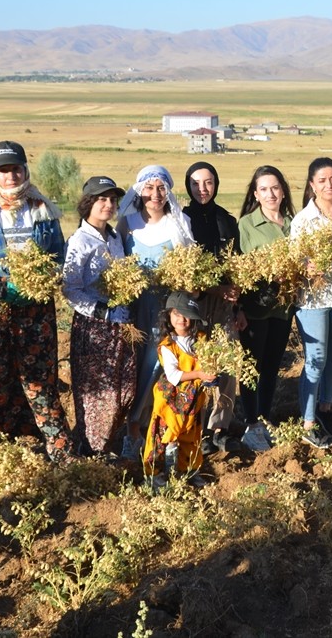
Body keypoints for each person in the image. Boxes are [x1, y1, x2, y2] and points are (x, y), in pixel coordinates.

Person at [0, 140, 73, 461]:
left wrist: (47, 278)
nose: (10, 176)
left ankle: (58, 452)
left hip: (36, 309)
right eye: (3, 170)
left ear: (25, 169)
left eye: (15, 168)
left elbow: (59, 255)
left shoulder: (43, 209)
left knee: (40, 378)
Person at [116, 164, 193, 456]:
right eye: (149, 188)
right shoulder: (128, 223)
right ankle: (130, 428)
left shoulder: (179, 223)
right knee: (131, 368)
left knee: (157, 367)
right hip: (134, 311)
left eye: (161, 188)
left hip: (164, 312)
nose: (155, 194)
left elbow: (187, 268)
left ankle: (144, 426)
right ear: (139, 190)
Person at [61, 175, 138, 457]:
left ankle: (107, 444)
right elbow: (70, 288)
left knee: (125, 388)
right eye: (102, 199)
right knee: (97, 393)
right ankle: (92, 452)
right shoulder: (79, 241)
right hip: (93, 328)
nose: (108, 205)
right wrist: (98, 310)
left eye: (112, 200)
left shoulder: (115, 237)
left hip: (121, 324)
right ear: (88, 203)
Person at [290, 157, 332, 449]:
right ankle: (307, 422)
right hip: (313, 298)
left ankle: (325, 409)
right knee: (315, 361)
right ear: (311, 185)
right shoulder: (303, 220)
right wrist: (307, 267)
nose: (329, 185)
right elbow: (293, 261)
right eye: (322, 180)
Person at [183, 162, 243, 456]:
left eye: (208, 183)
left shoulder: (226, 221)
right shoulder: (182, 221)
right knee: (199, 366)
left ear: (216, 184)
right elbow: (183, 271)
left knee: (229, 364)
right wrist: (213, 288)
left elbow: (237, 266)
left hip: (225, 306)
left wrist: (238, 304)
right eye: (195, 184)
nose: (202, 189)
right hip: (194, 305)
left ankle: (219, 428)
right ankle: (198, 428)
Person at [236, 165, 296, 452]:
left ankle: (264, 418)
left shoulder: (295, 224)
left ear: (283, 191)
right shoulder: (246, 225)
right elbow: (238, 270)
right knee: (252, 367)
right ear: (256, 194)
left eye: (275, 188)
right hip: (255, 310)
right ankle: (250, 423)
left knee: (272, 366)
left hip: (284, 309)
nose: (270, 194)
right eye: (264, 189)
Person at [142, 291, 216, 485]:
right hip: (170, 401)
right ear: (168, 316)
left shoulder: (201, 340)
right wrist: (200, 375)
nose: (182, 319)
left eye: (186, 315)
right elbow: (174, 376)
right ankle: (154, 475)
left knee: (191, 436)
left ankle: (189, 471)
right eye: (177, 314)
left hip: (192, 401)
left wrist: (210, 377)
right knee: (161, 436)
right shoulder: (168, 345)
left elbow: (209, 364)